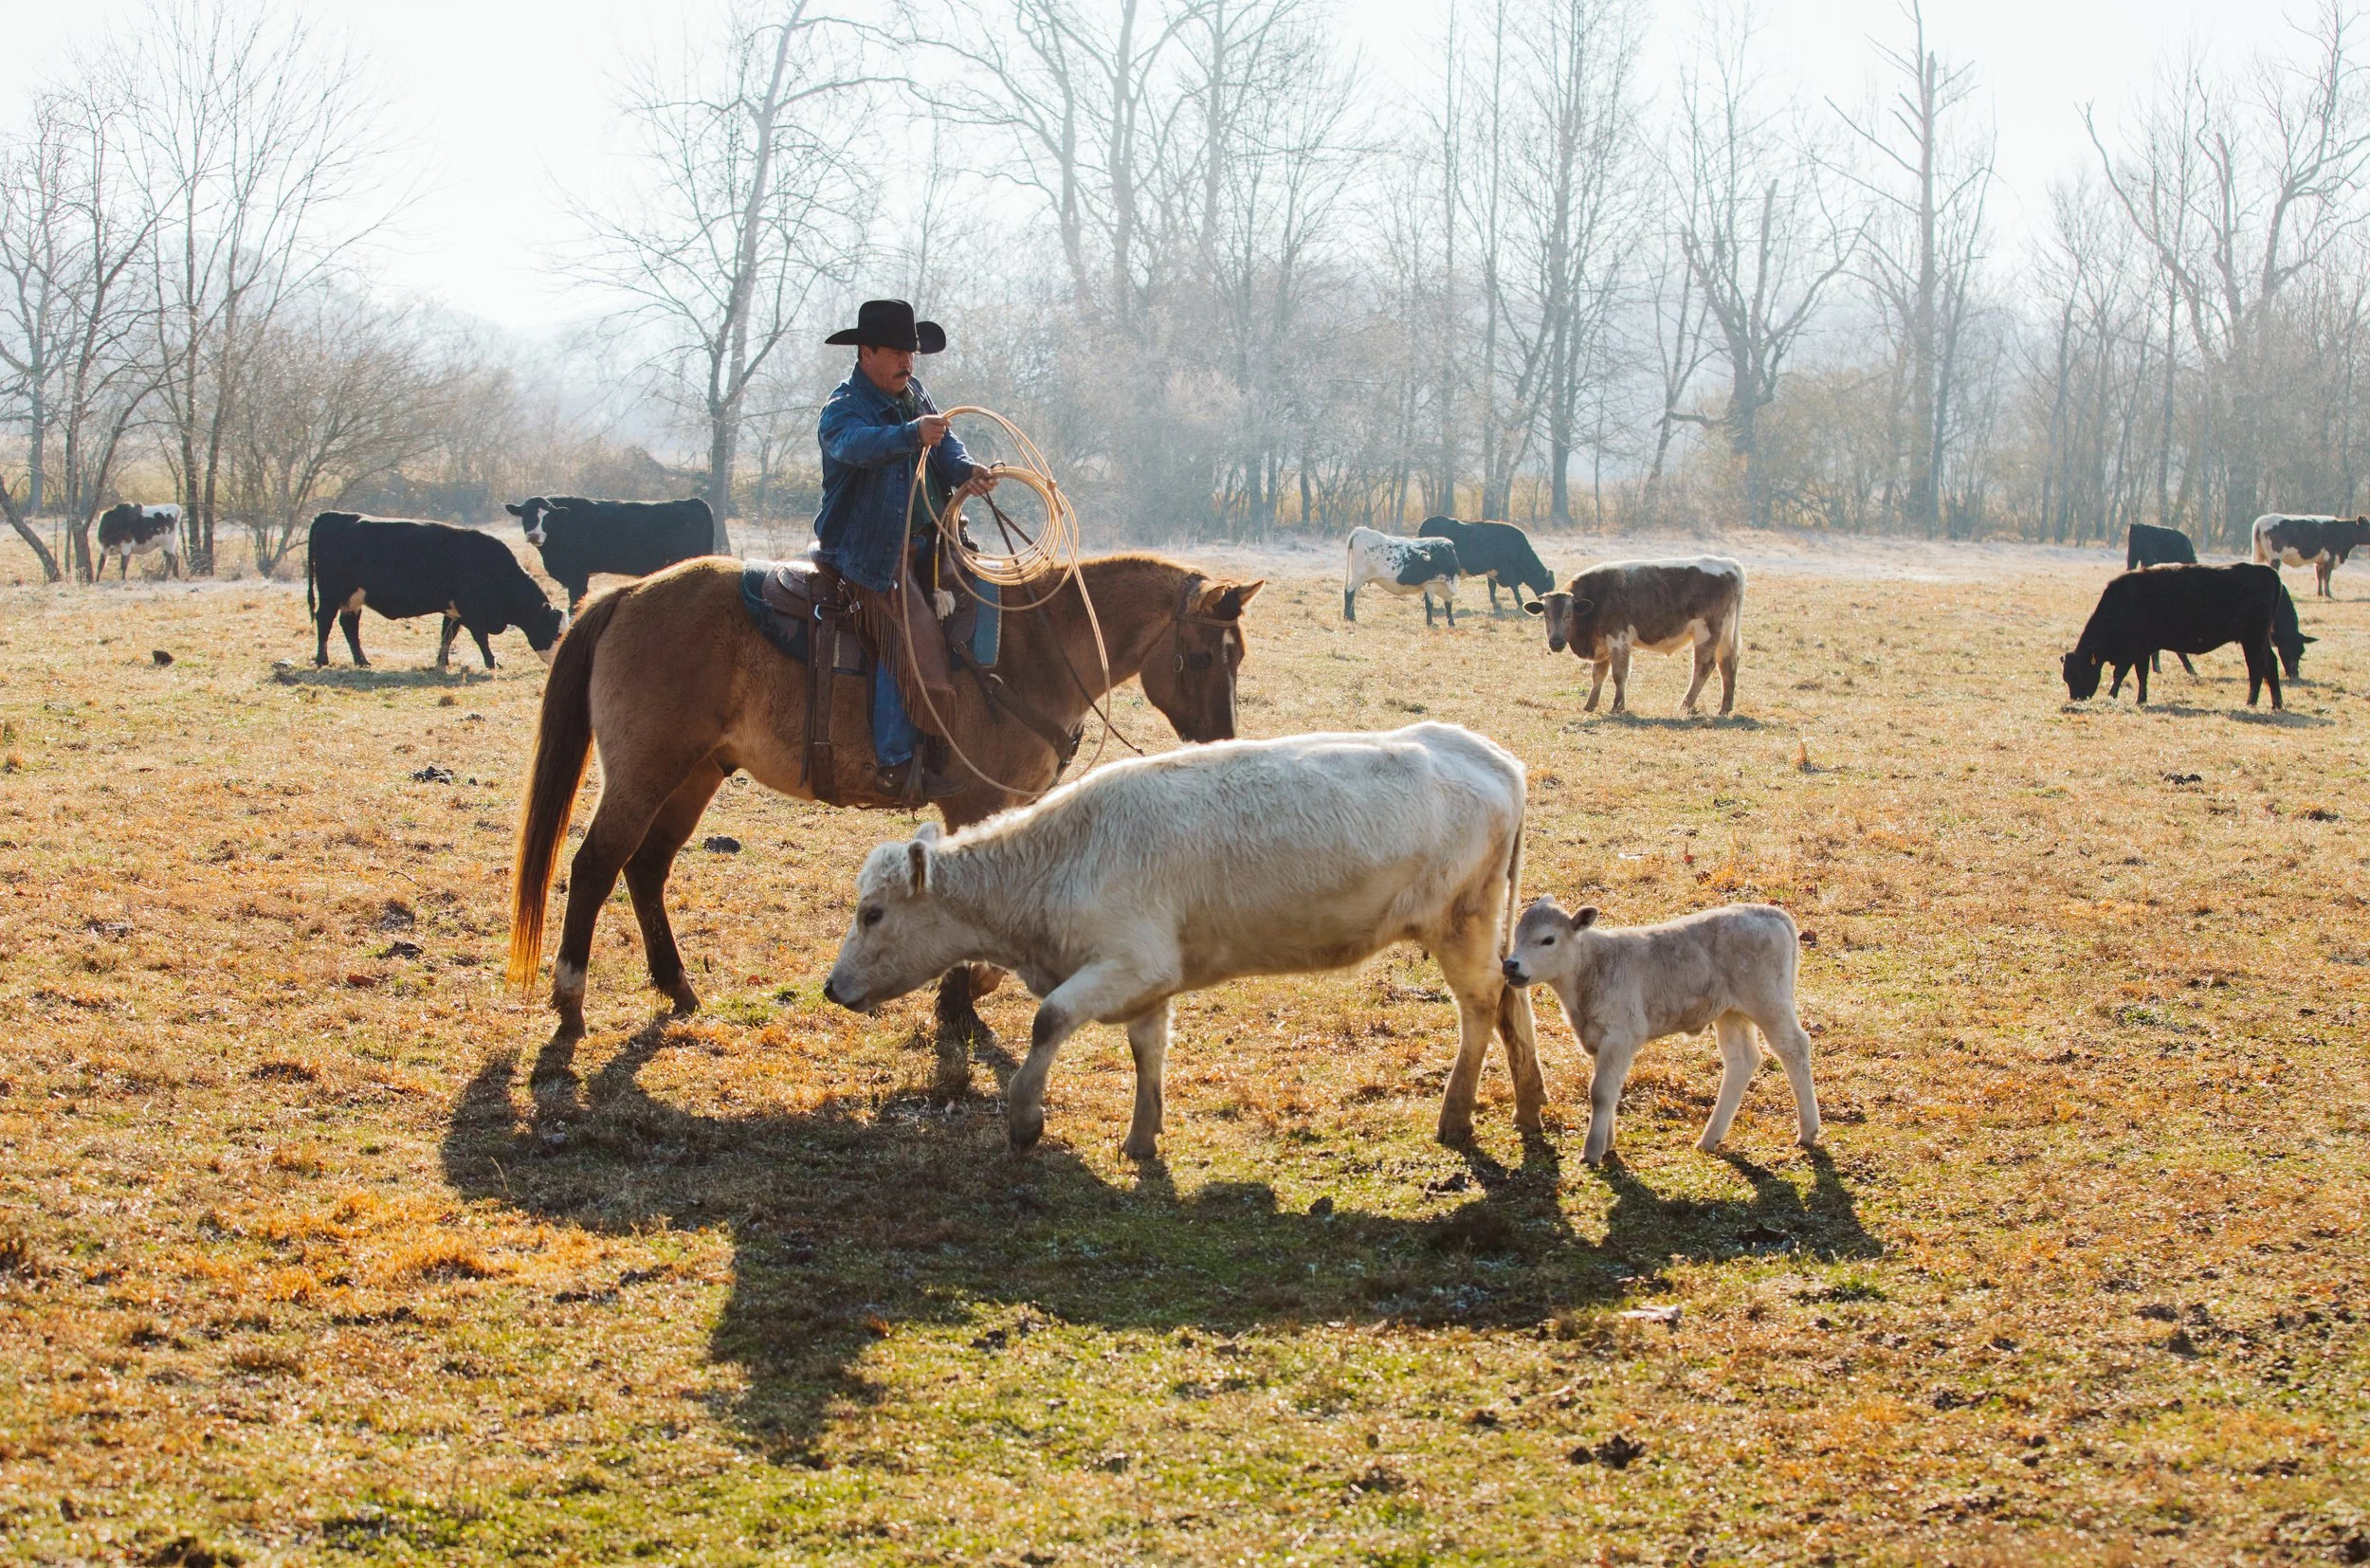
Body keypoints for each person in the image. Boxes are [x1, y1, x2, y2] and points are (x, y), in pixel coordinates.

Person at [812, 299, 999, 801]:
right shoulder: (843, 408)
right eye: (897, 352)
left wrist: (966, 470)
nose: (907, 363)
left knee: (996, 598)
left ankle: (973, 736)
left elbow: (946, 442)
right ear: (866, 351)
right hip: (868, 556)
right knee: (906, 638)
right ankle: (894, 762)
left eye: (911, 354)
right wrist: (910, 434)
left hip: (930, 547)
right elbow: (855, 446)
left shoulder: (914, 393)